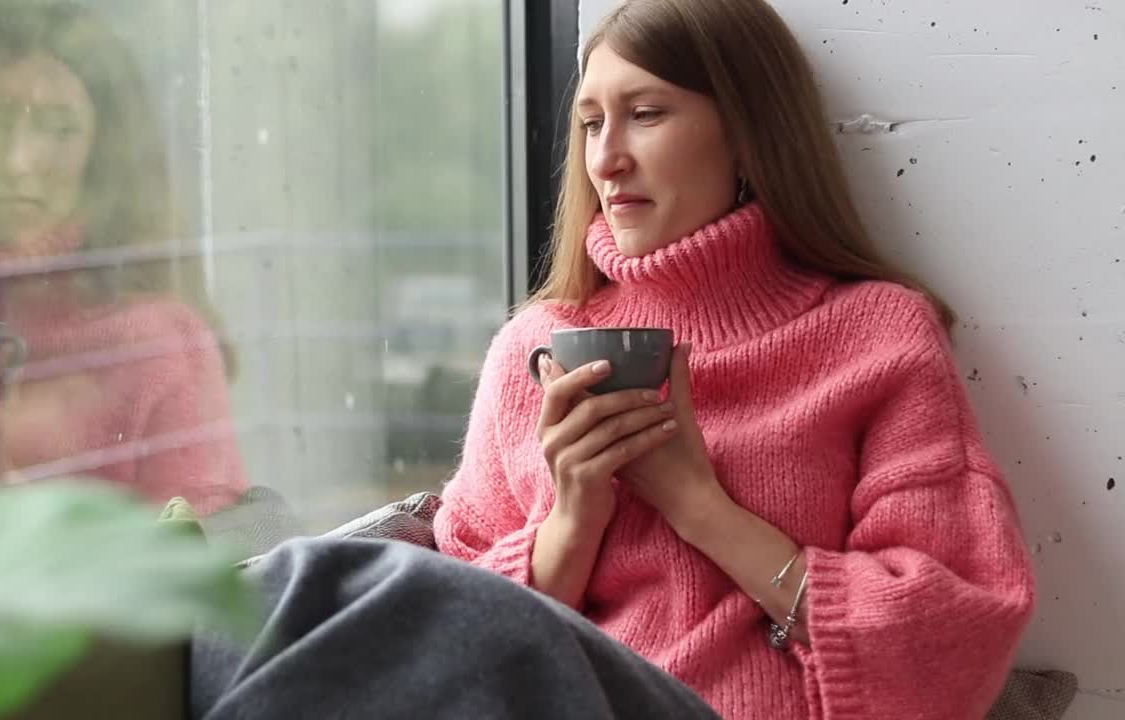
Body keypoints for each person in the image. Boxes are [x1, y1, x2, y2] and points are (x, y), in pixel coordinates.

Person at [430, 0, 1036, 718]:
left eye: (646, 114)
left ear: (750, 136)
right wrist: (571, 519)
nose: (605, 158)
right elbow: (450, 652)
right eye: (592, 122)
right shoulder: (534, 351)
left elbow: (953, 634)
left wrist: (697, 504)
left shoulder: (878, 336)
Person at [0, 0, 247, 514]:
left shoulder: (157, 346)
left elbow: (199, 577)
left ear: (104, 152)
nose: (17, 161)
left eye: (58, 127)